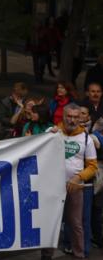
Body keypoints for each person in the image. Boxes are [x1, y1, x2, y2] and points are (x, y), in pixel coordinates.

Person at [48, 103, 98, 259]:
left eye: (76, 117)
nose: (72, 120)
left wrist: (78, 178)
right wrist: (50, 133)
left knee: (76, 224)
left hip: (75, 187)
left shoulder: (86, 138)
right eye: (69, 116)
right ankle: (46, 254)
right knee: (50, 222)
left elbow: (92, 166)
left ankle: (79, 255)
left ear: (80, 118)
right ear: (63, 116)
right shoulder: (52, 132)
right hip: (52, 187)